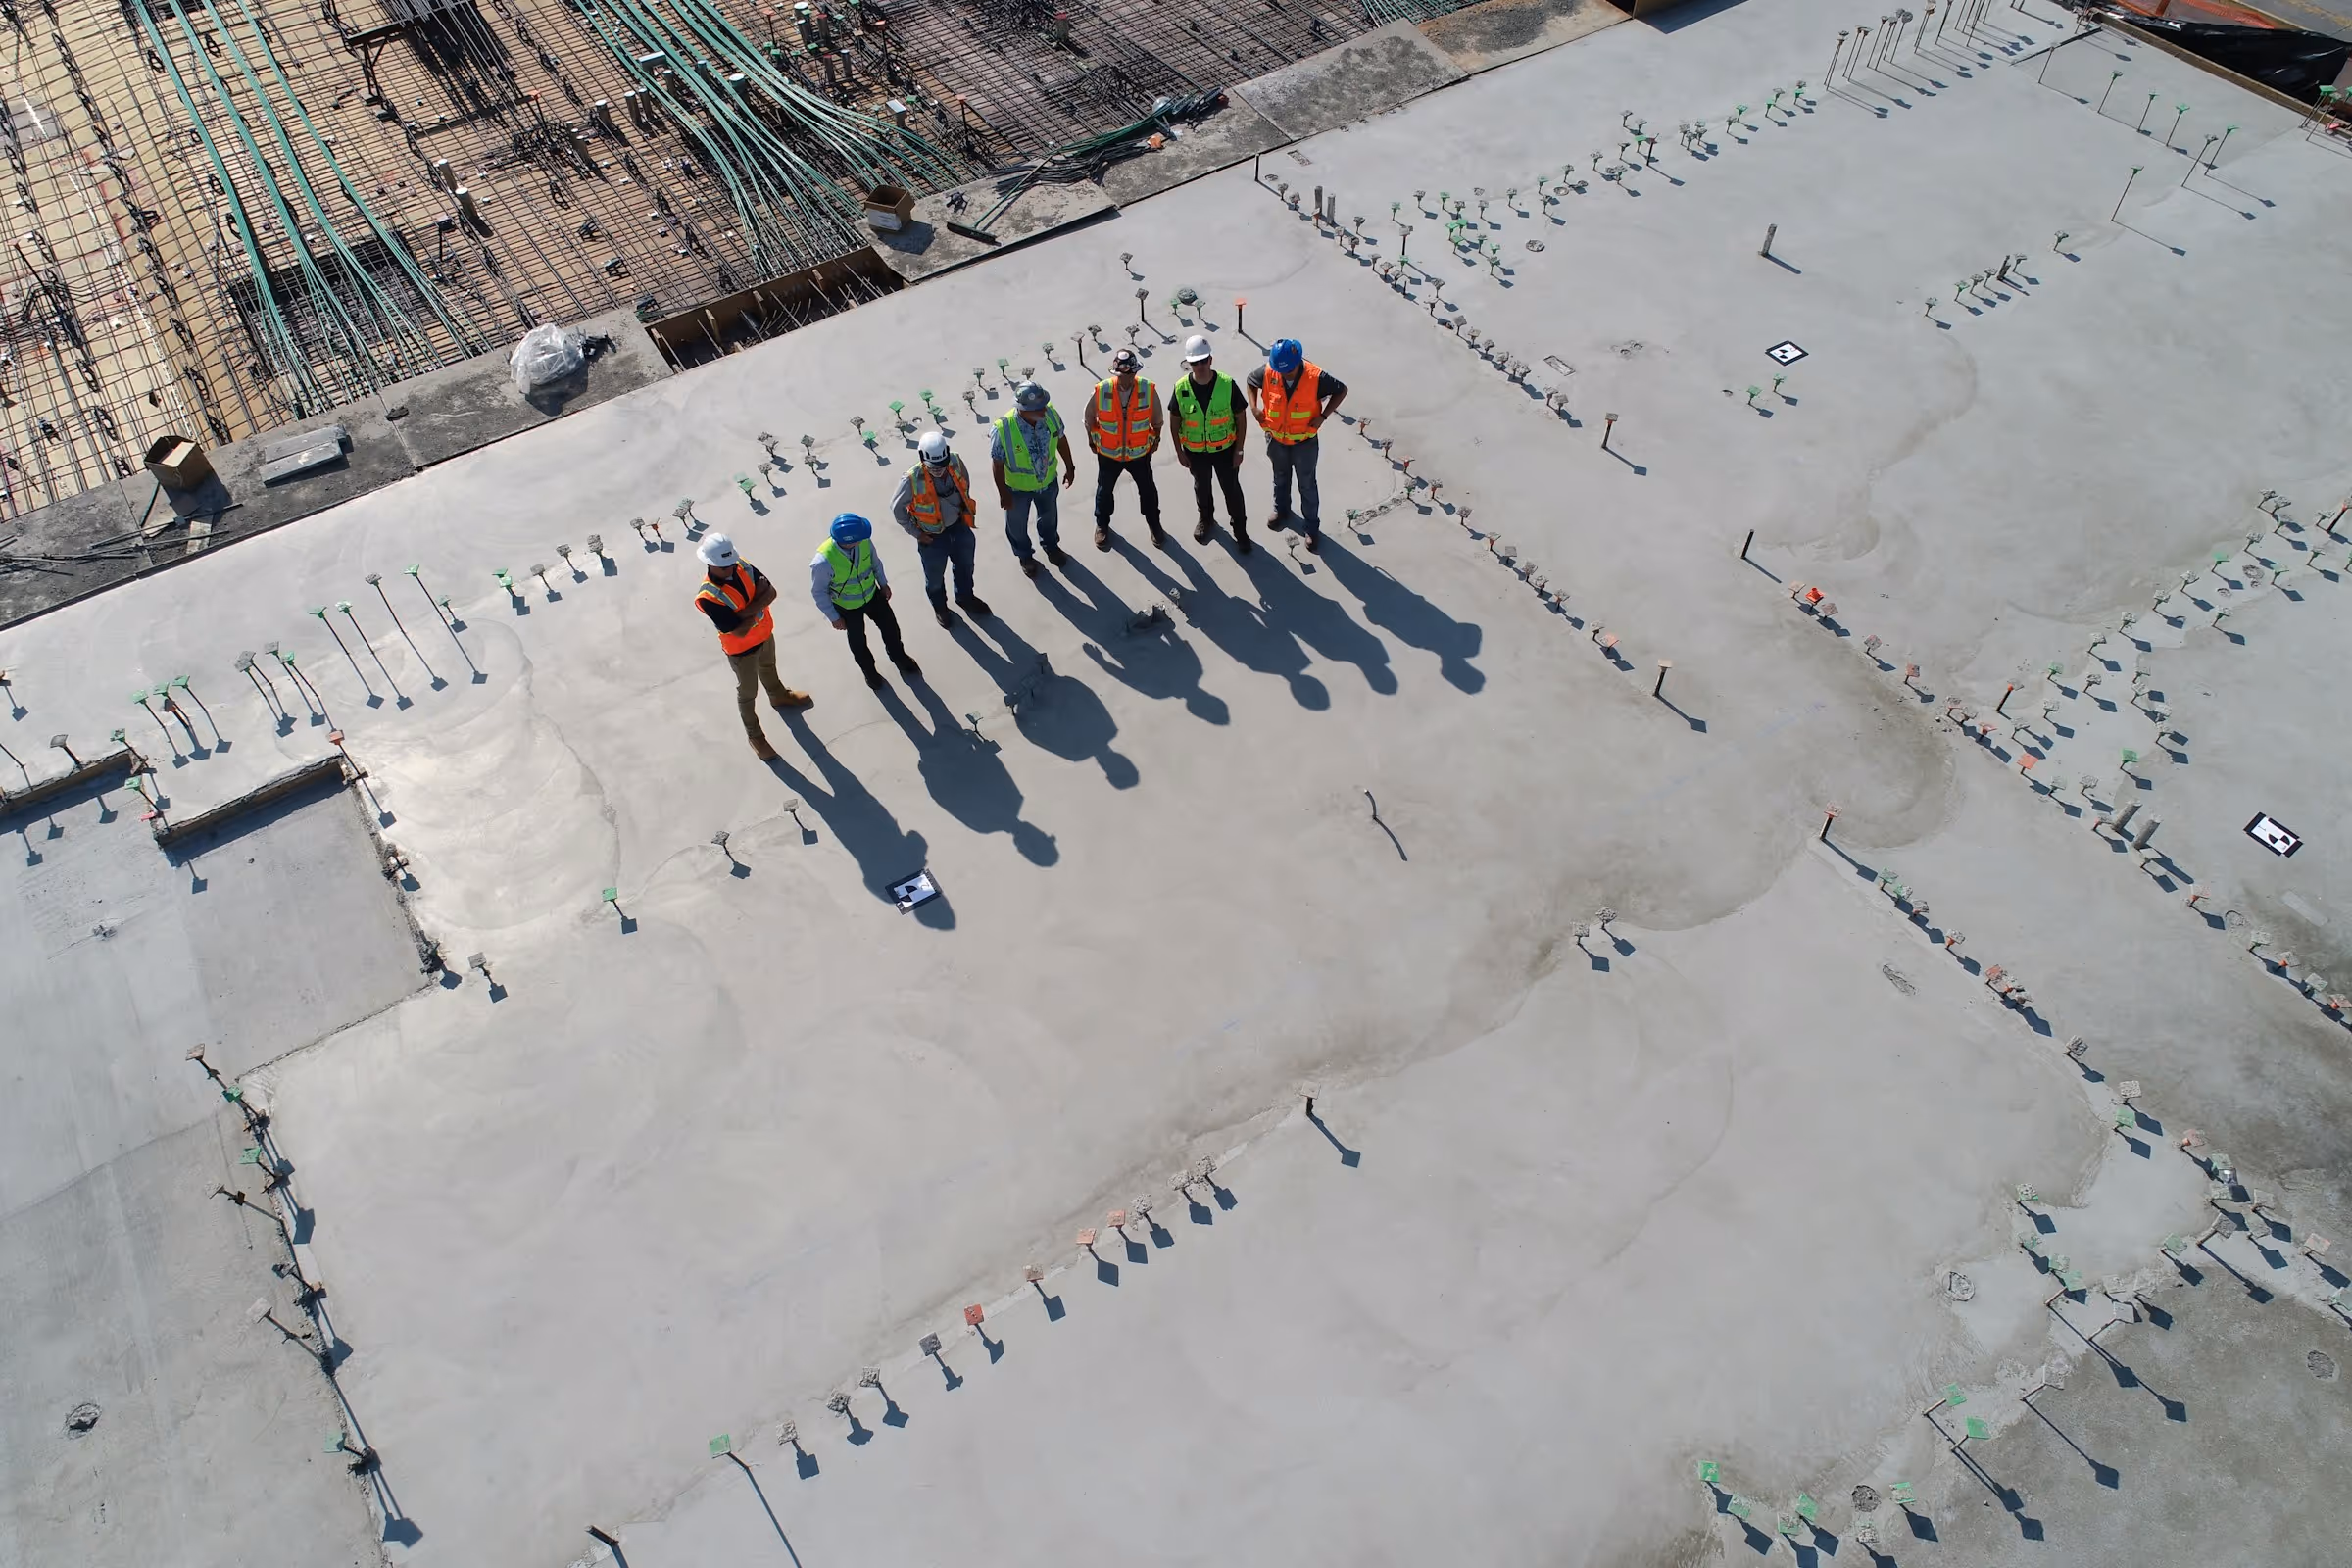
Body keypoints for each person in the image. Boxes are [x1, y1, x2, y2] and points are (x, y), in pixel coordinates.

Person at [694, 531, 810, 760]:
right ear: (710, 564)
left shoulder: (742, 565)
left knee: (769, 667)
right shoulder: (708, 597)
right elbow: (739, 631)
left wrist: (742, 614)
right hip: (741, 650)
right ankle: (754, 735)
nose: (730, 568)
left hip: (764, 633)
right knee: (748, 693)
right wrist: (758, 602)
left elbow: (772, 593)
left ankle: (779, 696)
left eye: (731, 563)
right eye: (724, 567)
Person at [1247, 337, 1348, 552]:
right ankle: (1281, 511)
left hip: (1304, 442)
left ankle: (1311, 527)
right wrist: (1254, 408)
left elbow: (1341, 390)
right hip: (1276, 440)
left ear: (1298, 362)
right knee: (1280, 478)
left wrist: (1324, 416)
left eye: (1288, 371)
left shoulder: (1315, 376)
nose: (1284, 374)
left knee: (1307, 485)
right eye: (1281, 371)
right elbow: (1250, 381)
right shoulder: (1269, 371)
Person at [892, 429, 993, 629]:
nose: (939, 470)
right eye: (934, 467)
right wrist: (917, 533)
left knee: (966, 567)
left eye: (942, 465)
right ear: (922, 457)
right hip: (932, 539)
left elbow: (965, 483)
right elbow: (897, 509)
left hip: (959, 528)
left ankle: (965, 597)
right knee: (935, 579)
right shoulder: (911, 480)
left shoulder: (955, 461)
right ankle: (940, 608)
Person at [810, 513, 921, 689]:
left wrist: (883, 584)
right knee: (858, 643)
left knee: (891, 628)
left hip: (872, 596)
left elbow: (875, 563)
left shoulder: (864, 542)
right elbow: (819, 592)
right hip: (848, 607)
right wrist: (834, 617)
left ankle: (899, 657)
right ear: (850, 540)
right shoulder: (823, 562)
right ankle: (870, 672)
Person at [992, 381, 1078, 579]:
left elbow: (1061, 440)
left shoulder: (1050, 414)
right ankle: (1025, 556)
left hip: (1047, 482)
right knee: (1017, 526)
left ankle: (1051, 547)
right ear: (1022, 409)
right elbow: (997, 463)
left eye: (1043, 405)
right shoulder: (1003, 428)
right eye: (1038, 408)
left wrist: (1070, 467)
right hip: (1017, 489)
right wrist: (1003, 493)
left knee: (1049, 518)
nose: (1043, 410)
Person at [1171, 335, 1249, 553]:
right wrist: (1179, 452)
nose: (1200, 366)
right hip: (1195, 452)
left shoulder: (1227, 384)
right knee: (1202, 488)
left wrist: (1239, 449)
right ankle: (1206, 520)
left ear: (1211, 360)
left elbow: (1241, 418)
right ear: (1189, 363)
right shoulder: (1181, 388)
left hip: (1225, 450)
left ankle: (1240, 531)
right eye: (1195, 362)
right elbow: (1175, 421)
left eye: (1204, 360)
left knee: (1232, 490)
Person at [1084, 346, 1165, 550]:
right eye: (1120, 375)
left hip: (1139, 453)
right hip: (1108, 454)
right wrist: (1091, 440)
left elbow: (1157, 420)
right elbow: (1088, 417)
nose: (1124, 379)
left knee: (1147, 490)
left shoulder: (1148, 390)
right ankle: (1102, 525)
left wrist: (1156, 441)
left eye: (1128, 375)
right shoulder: (1102, 390)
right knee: (1104, 491)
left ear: (1135, 372)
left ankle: (1154, 524)